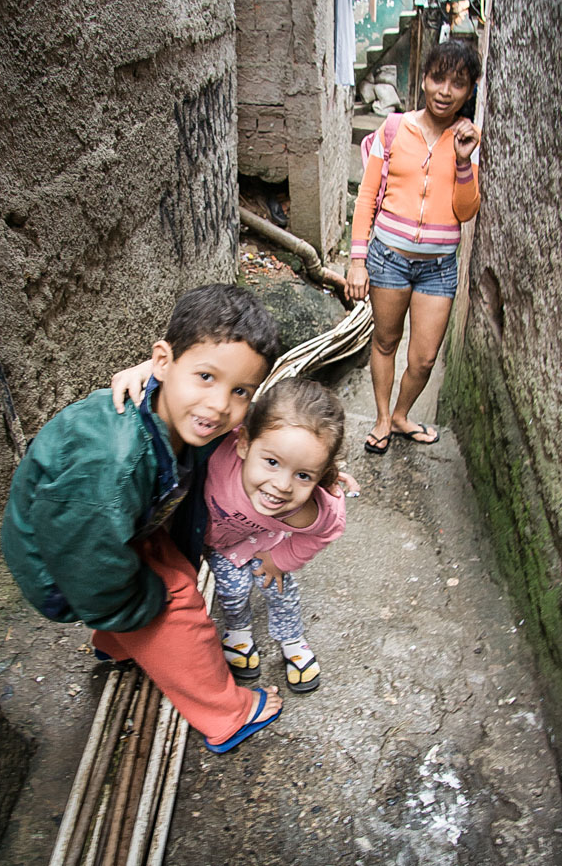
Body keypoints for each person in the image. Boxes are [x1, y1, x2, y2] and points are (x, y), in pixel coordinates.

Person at [1, 284, 284, 754]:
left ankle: (117, 642)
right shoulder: (113, 463)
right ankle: (226, 714)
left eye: (239, 391)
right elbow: (91, 570)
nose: (218, 405)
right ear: (162, 361)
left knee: (160, 576)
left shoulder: (174, 409)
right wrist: (145, 604)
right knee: (176, 600)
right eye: (206, 377)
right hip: (61, 569)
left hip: (102, 536)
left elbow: (245, 419)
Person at [346, 39, 482, 454]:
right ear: (423, 79)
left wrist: (462, 162)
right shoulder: (393, 129)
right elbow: (367, 196)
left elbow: (466, 210)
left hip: (438, 266)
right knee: (386, 343)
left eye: (457, 83)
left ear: (470, 90)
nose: (445, 91)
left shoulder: (467, 140)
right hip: (387, 258)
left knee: (422, 359)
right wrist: (357, 260)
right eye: (438, 78)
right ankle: (384, 419)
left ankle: (404, 414)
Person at [205, 377, 347, 694]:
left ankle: (291, 637)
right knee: (232, 591)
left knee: (279, 590)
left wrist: (280, 559)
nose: (282, 485)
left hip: (264, 543)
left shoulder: (304, 510)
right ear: (243, 443)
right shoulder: (219, 452)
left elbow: (327, 530)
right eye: (271, 462)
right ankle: (238, 631)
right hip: (219, 545)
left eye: (303, 474)